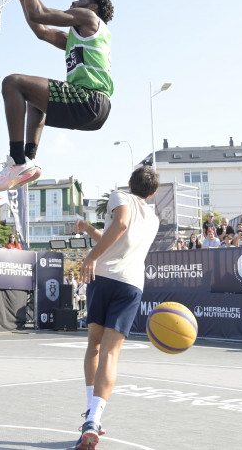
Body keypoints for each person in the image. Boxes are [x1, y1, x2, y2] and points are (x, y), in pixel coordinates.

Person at [0, 0, 114, 192]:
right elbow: (42, 31)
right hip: (95, 108)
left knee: (12, 83)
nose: (74, 2)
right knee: (36, 99)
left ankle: (16, 161)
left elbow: (40, 13)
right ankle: (29, 160)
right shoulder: (80, 37)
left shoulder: (89, 17)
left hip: (89, 98)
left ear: (92, 7)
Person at [72, 167, 159, 450]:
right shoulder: (153, 217)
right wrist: (89, 231)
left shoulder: (119, 196)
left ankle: (90, 418)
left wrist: (90, 258)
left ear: (129, 183)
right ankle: (94, 418)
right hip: (132, 283)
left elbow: (120, 226)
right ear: (153, 193)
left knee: (94, 346)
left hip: (105, 276)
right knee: (111, 352)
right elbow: (119, 238)